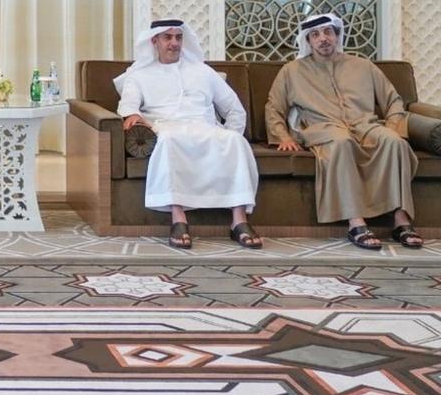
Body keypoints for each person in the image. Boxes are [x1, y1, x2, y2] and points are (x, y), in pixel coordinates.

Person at [266, 13, 421, 250]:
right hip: (323, 128)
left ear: (337, 36)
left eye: (328, 32)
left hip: (365, 125)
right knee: (342, 142)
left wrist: (392, 127)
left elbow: (394, 101)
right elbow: (273, 107)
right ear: (307, 41)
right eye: (315, 35)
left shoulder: (363, 66)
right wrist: (283, 136)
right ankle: (355, 223)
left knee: (394, 142)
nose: (323, 39)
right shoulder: (292, 71)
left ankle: (401, 220)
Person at [115, 19, 261, 249]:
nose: (174, 43)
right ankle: (178, 219)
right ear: (155, 41)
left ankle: (239, 221)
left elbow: (234, 108)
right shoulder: (139, 75)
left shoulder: (203, 71)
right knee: (169, 140)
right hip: (166, 128)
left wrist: (225, 134)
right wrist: (136, 118)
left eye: (178, 37)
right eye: (167, 37)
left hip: (205, 127)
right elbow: (129, 107)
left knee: (234, 141)